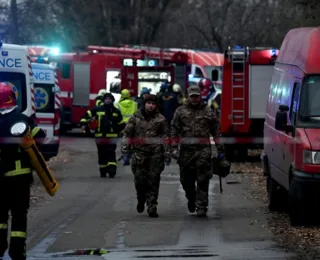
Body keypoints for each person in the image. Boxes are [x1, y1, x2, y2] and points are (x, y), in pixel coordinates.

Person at [0, 82, 46, 260]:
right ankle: (17, 251)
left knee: (0, 215)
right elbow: (40, 137)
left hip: (0, 179)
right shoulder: (22, 119)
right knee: (19, 214)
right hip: (19, 178)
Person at [170, 85, 225, 217]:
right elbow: (174, 130)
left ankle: (201, 206)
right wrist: (173, 148)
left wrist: (220, 150)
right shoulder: (180, 111)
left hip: (203, 150)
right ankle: (192, 198)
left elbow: (216, 131)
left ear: (200, 97)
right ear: (188, 97)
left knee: (203, 179)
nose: (194, 99)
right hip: (186, 151)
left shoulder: (208, 112)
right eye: (192, 96)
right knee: (186, 181)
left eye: (197, 96)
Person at [121, 94, 171, 218]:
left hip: (155, 154)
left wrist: (167, 153)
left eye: (153, 104)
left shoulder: (161, 119)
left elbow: (165, 137)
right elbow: (127, 134)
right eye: (149, 103)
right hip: (139, 154)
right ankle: (141, 198)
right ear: (144, 104)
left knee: (153, 180)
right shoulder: (135, 118)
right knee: (140, 180)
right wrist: (125, 150)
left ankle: (152, 206)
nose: (151, 106)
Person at [80, 93, 123, 178]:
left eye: (110, 99)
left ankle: (112, 170)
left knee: (111, 152)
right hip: (100, 136)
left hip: (112, 136)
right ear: (104, 100)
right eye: (106, 99)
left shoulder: (116, 111)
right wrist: (83, 123)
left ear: (112, 100)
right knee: (102, 153)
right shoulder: (97, 109)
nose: (108, 100)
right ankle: (103, 170)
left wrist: (120, 131)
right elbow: (86, 115)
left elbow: (121, 123)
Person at [115, 89, 138, 165]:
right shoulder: (134, 104)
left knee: (125, 142)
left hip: (123, 125)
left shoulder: (118, 105)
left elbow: (116, 117)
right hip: (132, 124)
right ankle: (132, 156)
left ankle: (125, 158)